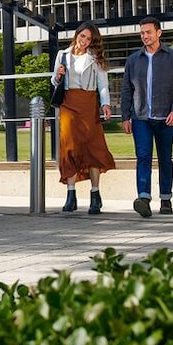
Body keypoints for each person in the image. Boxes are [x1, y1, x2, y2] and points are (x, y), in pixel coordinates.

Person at [120, 16, 173, 218]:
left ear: (159, 33)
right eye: (142, 33)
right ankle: (144, 198)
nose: (145, 36)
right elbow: (126, 90)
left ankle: (166, 198)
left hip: (166, 117)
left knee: (165, 159)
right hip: (141, 117)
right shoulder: (133, 60)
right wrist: (125, 116)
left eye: (148, 32)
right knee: (143, 157)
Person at [51, 21, 115, 214]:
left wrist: (106, 104)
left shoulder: (95, 58)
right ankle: (71, 195)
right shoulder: (63, 54)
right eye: (82, 36)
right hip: (68, 104)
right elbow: (54, 81)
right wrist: (58, 76)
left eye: (89, 39)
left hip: (88, 104)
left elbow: (103, 84)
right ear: (76, 34)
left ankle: (95, 195)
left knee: (92, 148)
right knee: (69, 148)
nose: (85, 41)